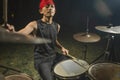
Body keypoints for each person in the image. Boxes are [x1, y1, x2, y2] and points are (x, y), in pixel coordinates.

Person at [7, 0, 70, 80]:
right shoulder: (34, 24)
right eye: (47, 6)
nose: (50, 8)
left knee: (71, 65)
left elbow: (54, 40)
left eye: (52, 6)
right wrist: (13, 33)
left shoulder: (57, 26)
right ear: (41, 11)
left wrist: (62, 48)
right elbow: (19, 35)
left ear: (55, 10)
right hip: (42, 59)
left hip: (54, 56)